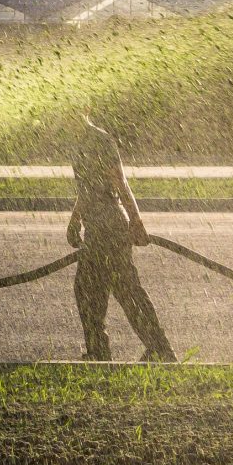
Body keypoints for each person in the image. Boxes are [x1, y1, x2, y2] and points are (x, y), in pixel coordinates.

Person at [66, 112, 176, 362]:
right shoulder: (79, 143)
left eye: (69, 111)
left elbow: (120, 183)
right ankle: (105, 351)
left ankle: (157, 350)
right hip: (96, 228)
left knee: (122, 291)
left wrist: (136, 221)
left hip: (111, 228)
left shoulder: (100, 141)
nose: (64, 117)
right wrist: (75, 219)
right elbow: (87, 188)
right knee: (91, 291)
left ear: (84, 110)